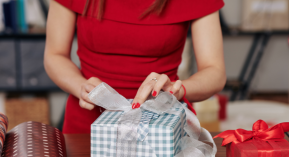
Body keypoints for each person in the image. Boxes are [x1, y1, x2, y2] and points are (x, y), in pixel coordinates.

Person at [44, 0, 226, 133]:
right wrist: (80, 86)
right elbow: (55, 55)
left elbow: (214, 71)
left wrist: (177, 89)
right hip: (87, 127)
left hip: (162, 128)